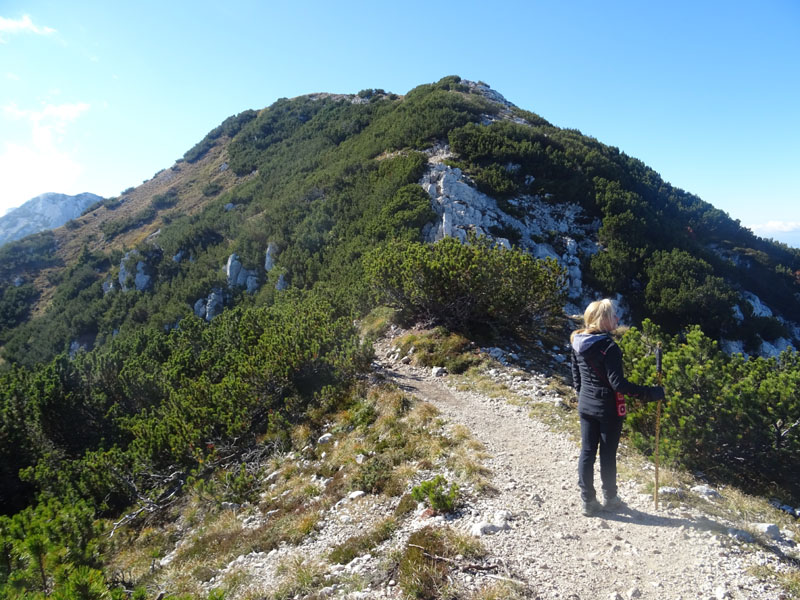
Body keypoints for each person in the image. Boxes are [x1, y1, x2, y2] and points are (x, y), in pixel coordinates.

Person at [570, 299, 664, 516]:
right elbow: (618, 385)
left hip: (586, 404)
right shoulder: (609, 347)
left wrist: (585, 396)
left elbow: (576, 377)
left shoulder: (576, 340)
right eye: (613, 315)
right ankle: (610, 498)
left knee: (586, 452)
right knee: (607, 454)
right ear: (604, 319)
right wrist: (651, 393)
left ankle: (588, 501)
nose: (617, 319)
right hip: (608, 408)